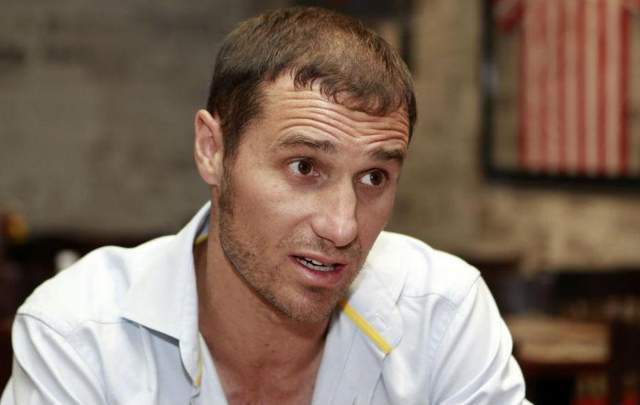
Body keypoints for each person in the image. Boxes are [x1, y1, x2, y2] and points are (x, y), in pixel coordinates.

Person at [1, 7, 530, 405]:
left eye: (374, 177)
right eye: (304, 167)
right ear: (213, 150)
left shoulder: (441, 314)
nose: (342, 226)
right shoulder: (81, 334)